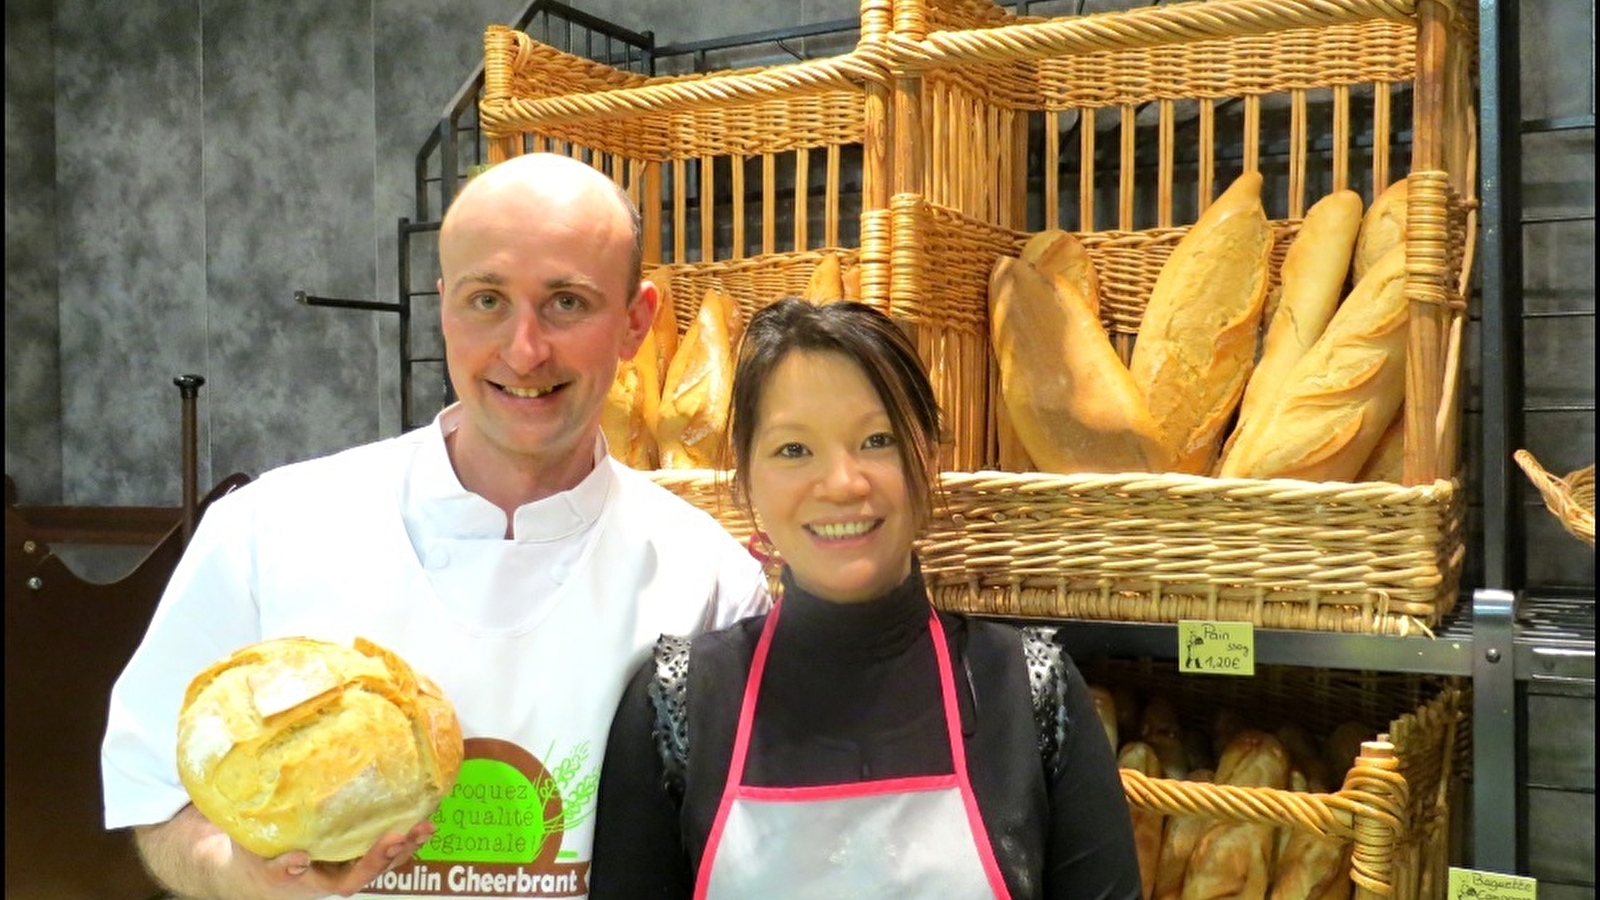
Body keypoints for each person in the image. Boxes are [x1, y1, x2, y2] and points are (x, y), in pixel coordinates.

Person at [100, 153, 770, 900]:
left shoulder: (709, 579)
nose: (524, 350)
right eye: (487, 300)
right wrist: (236, 873)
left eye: (567, 304)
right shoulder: (266, 533)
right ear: (443, 305)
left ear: (635, 323)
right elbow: (158, 798)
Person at [588, 298, 1143, 899]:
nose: (843, 483)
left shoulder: (1029, 691)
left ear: (928, 455)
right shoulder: (677, 704)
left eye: (877, 440)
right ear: (747, 480)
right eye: (793, 450)